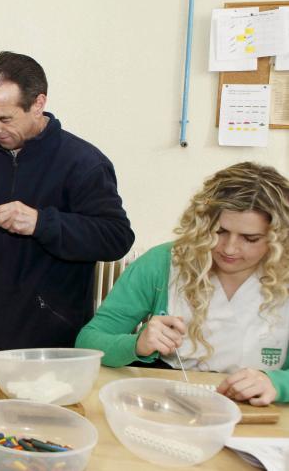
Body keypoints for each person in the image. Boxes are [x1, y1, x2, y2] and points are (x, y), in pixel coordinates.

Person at [0, 51, 134, 351]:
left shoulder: (83, 163)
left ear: (38, 104)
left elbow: (117, 237)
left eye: (4, 119)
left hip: (44, 347)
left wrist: (42, 222)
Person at [77, 162, 289, 406]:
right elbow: (89, 341)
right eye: (219, 232)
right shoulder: (162, 263)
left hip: (260, 414)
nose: (230, 248)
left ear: (278, 237)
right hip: (172, 403)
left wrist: (277, 383)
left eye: (250, 239)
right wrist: (137, 344)